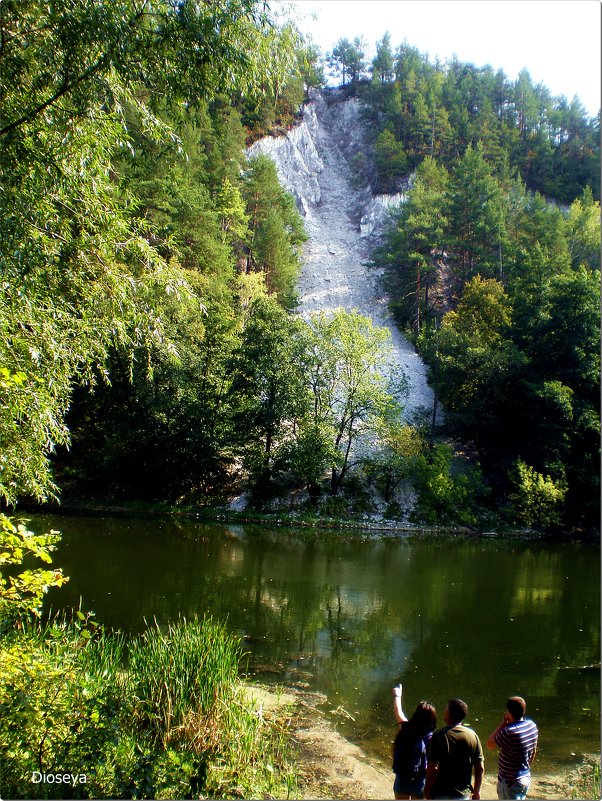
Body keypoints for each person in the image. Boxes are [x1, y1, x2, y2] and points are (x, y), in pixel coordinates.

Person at [423, 698, 484, 800]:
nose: (444, 710)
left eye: (446, 708)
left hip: (440, 794)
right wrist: (476, 791)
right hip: (463, 795)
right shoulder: (473, 735)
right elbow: (480, 767)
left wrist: (427, 790)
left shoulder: (439, 735)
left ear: (450, 713)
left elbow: (433, 767)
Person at [486, 696, 538, 800]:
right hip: (525, 778)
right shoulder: (532, 726)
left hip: (510, 783)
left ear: (508, 712)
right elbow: (533, 751)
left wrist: (503, 723)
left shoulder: (509, 731)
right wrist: (527, 770)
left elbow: (489, 744)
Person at [392, 683, 437, 799]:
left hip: (402, 777)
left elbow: (398, 710)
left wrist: (397, 695)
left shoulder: (406, 728)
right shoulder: (433, 738)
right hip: (420, 781)